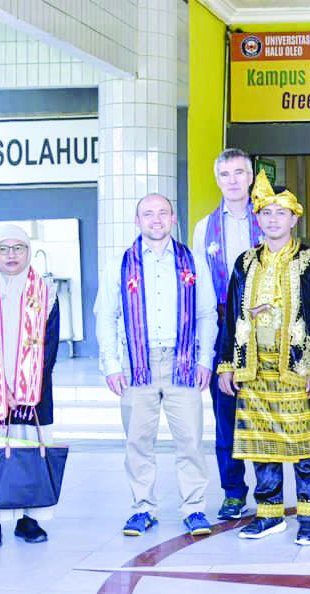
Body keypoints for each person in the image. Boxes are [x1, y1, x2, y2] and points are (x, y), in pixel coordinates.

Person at [96, 194, 218, 538]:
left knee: (191, 441)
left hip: (182, 362)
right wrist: (110, 364)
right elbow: (106, 315)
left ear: (173, 218)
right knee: (138, 441)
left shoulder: (191, 261)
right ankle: (142, 508)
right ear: (137, 221)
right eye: (148, 214)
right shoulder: (120, 264)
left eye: (162, 212)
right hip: (138, 363)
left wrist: (205, 358)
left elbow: (207, 313)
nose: (155, 219)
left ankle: (194, 508)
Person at [217, 172, 310, 545]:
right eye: (266, 213)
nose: (273, 219)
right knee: (262, 446)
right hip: (253, 366)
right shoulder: (245, 262)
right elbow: (230, 314)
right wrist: (226, 364)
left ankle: (309, 516)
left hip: (297, 367)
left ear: (295, 218)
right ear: (257, 219)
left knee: (304, 447)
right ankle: (269, 513)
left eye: (282, 213)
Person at [0, 225, 61, 548]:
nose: (11, 255)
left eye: (18, 248)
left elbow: (49, 347)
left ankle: (28, 520)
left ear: (28, 251)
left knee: (30, 454)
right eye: (3, 249)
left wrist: (24, 384)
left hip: (33, 394)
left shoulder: (46, 291)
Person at [191, 148, 262, 521]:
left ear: (251, 176)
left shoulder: (268, 218)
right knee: (227, 414)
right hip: (223, 327)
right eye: (225, 174)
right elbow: (202, 289)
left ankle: (269, 490)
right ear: (217, 179)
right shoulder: (204, 228)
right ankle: (233, 492)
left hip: (266, 330)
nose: (233, 180)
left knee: (267, 409)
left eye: (239, 172)